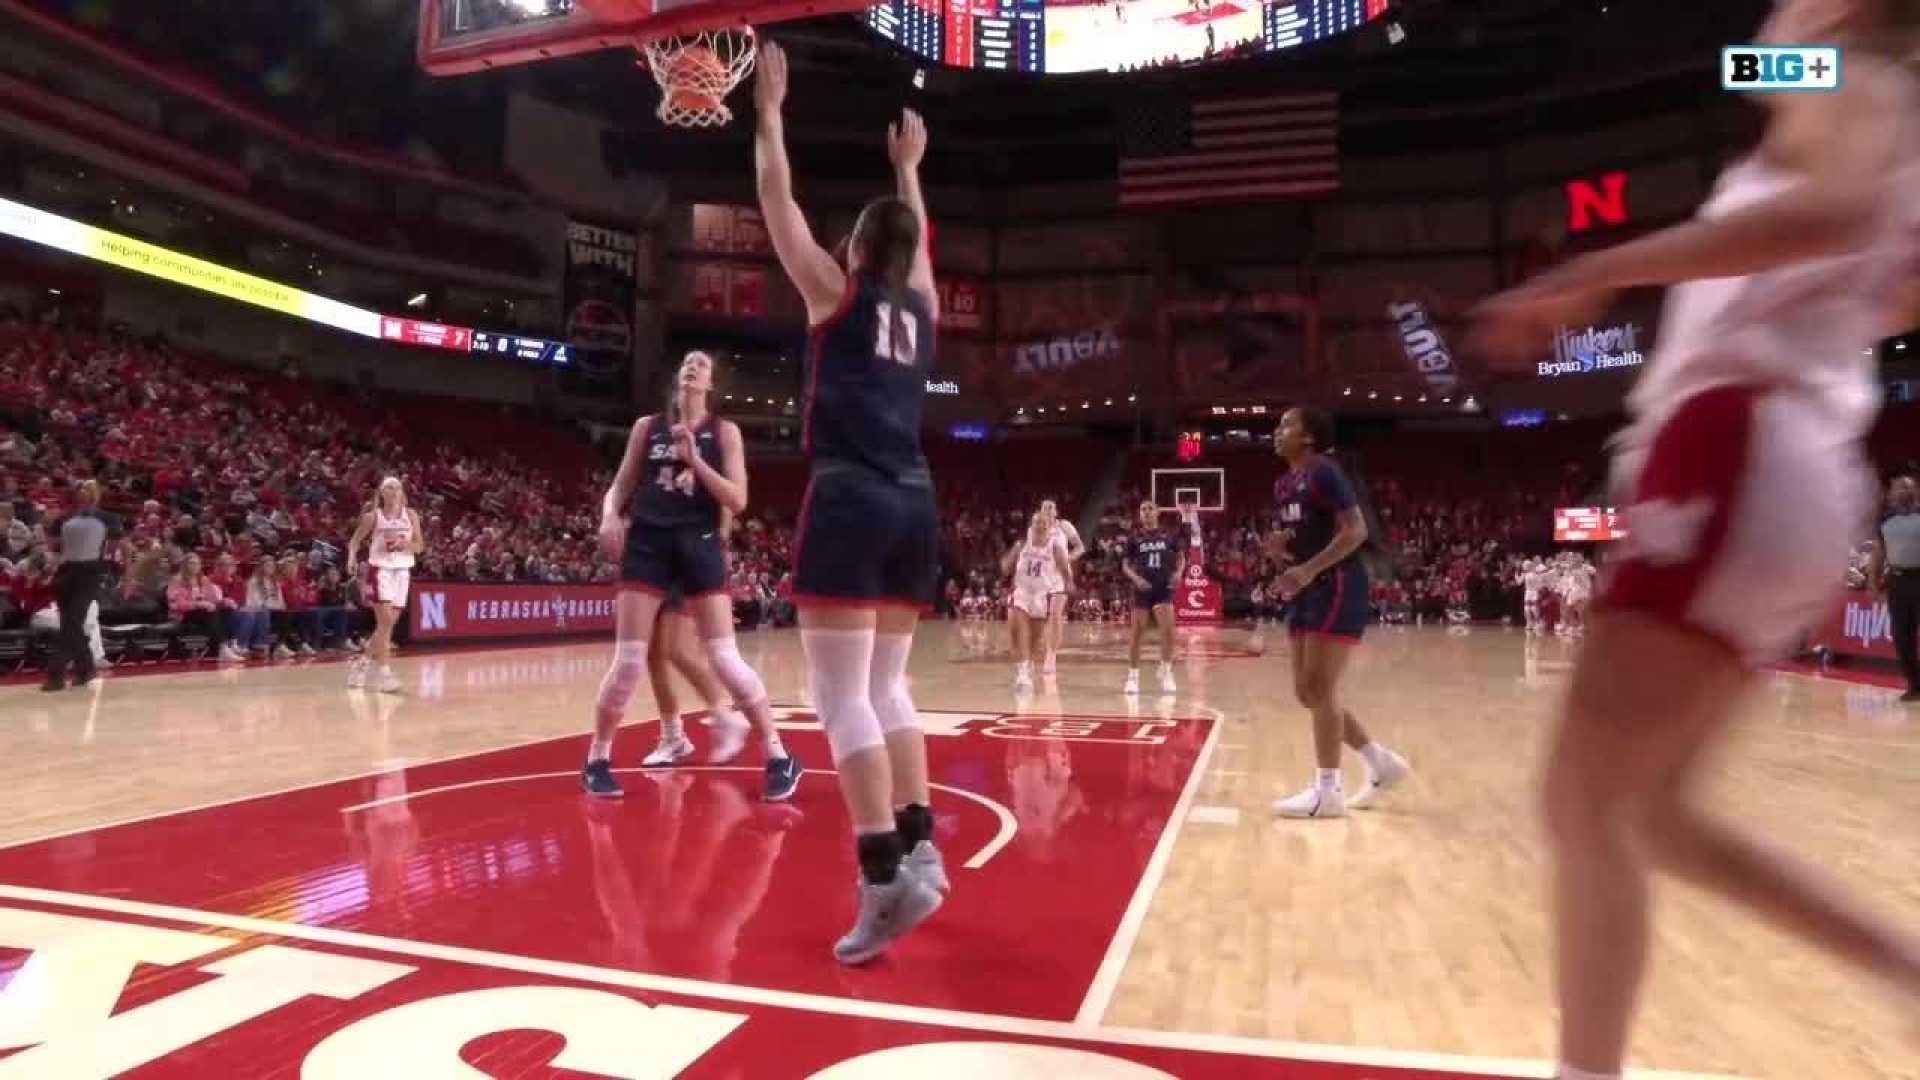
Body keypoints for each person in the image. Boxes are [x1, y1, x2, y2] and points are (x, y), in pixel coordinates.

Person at [1469, 3, 1920, 1074]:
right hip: (1785, 465)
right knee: (1653, 814)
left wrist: (1588, 272)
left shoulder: (1848, 72)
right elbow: (1880, 264)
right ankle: (1904, 968)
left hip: (1740, 441)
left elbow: (1833, 210)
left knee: (1581, 799)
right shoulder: (1868, 97)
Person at [755, 42, 946, 965]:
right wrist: (908, 173)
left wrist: (769, 114)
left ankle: (881, 882)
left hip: (852, 496)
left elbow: (776, 207)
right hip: (917, 500)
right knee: (887, 687)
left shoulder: (835, 293)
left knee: (839, 699)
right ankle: (920, 847)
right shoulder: (924, 306)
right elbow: (919, 249)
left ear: (859, 249)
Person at [586, 350, 801, 802]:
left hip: (698, 543)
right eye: (686, 362)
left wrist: (696, 463)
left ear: (710, 384)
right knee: (630, 660)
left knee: (725, 657)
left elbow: (739, 500)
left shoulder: (725, 433)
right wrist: (609, 515)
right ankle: (598, 760)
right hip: (647, 543)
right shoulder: (647, 428)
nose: (692, 366)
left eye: (702, 365)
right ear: (678, 378)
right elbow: (621, 485)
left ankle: (780, 756)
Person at [1265, 408, 1412, 819]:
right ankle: (1379, 760)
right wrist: (1281, 556)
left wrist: (1308, 570)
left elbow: (1356, 530)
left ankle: (1327, 790)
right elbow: (1302, 548)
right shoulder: (1282, 485)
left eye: (1286, 426)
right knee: (1307, 692)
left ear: (1309, 437)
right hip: (1308, 589)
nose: (1277, 433)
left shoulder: (1324, 472)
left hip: (1339, 583)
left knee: (1319, 686)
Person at [346, 477, 424, 693]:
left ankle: (361, 663)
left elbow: (419, 546)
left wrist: (404, 543)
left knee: (386, 626)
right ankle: (384, 674)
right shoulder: (373, 517)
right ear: (382, 492)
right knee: (386, 623)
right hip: (380, 571)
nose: (394, 491)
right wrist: (351, 559)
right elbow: (354, 541)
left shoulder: (411, 516)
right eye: (389, 487)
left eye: (397, 487)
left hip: (403, 571)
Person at [42, 480, 115, 692]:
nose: (83, 493)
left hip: (90, 572)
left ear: (95, 494)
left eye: (87, 490)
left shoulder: (107, 518)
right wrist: (50, 568)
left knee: (72, 621)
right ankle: (86, 670)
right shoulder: (64, 518)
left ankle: (55, 674)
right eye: (80, 489)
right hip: (65, 571)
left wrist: (128, 576)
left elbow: (119, 547)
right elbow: (55, 548)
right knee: (69, 623)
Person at [1001, 513, 1071, 692]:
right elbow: (1005, 567)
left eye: (1043, 523)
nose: (1040, 525)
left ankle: (1028, 665)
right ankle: (1023, 673)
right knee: (1020, 630)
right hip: (1022, 592)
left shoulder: (1055, 547)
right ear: (1031, 525)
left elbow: (1065, 571)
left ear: (1049, 527)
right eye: (1036, 522)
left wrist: (1067, 586)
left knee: (1035, 638)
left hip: (1042, 594)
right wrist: (1010, 560)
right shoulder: (1022, 544)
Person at [1866, 470, 1920, 702]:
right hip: (1898, 582)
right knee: (1901, 637)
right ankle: (1915, 686)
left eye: (1907, 487)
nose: (1902, 491)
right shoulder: (1885, 521)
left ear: (1916, 491)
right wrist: (1872, 583)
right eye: (1899, 488)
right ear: (1891, 494)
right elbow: (1879, 553)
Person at [1121, 499, 1182, 696]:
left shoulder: (1169, 535)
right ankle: (1132, 676)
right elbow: (1125, 565)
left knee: (1168, 630)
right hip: (1142, 587)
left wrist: (1179, 572)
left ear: (1157, 512)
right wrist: (1136, 578)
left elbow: (1181, 557)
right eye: (1143, 509)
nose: (1146, 512)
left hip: (1163, 587)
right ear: (1140, 514)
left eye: (1150, 508)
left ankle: (1166, 671)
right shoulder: (1134, 538)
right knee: (1138, 632)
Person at [1036, 498, 1085, 675]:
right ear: (1040, 511)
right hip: (1040, 576)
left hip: (1060, 576)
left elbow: (1080, 547)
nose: (1048, 510)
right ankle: (1040, 649)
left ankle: (1051, 657)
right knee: (1040, 617)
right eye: (1045, 507)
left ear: (1056, 511)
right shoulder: (1035, 528)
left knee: (1055, 616)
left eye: (1051, 507)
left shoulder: (1064, 526)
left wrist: (1068, 559)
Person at [166, 554, 228, 659]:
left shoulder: (203, 580)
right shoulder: (177, 580)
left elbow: (213, 599)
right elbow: (176, 605)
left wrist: (224, 601)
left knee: (225, 611)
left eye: (198, 563)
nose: (195, 566)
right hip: (183, 615)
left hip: (201, 614)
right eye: (192, 563)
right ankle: (222, 647)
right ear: (185, 565)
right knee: (209, 613)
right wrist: (199, 604)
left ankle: (225, 646)